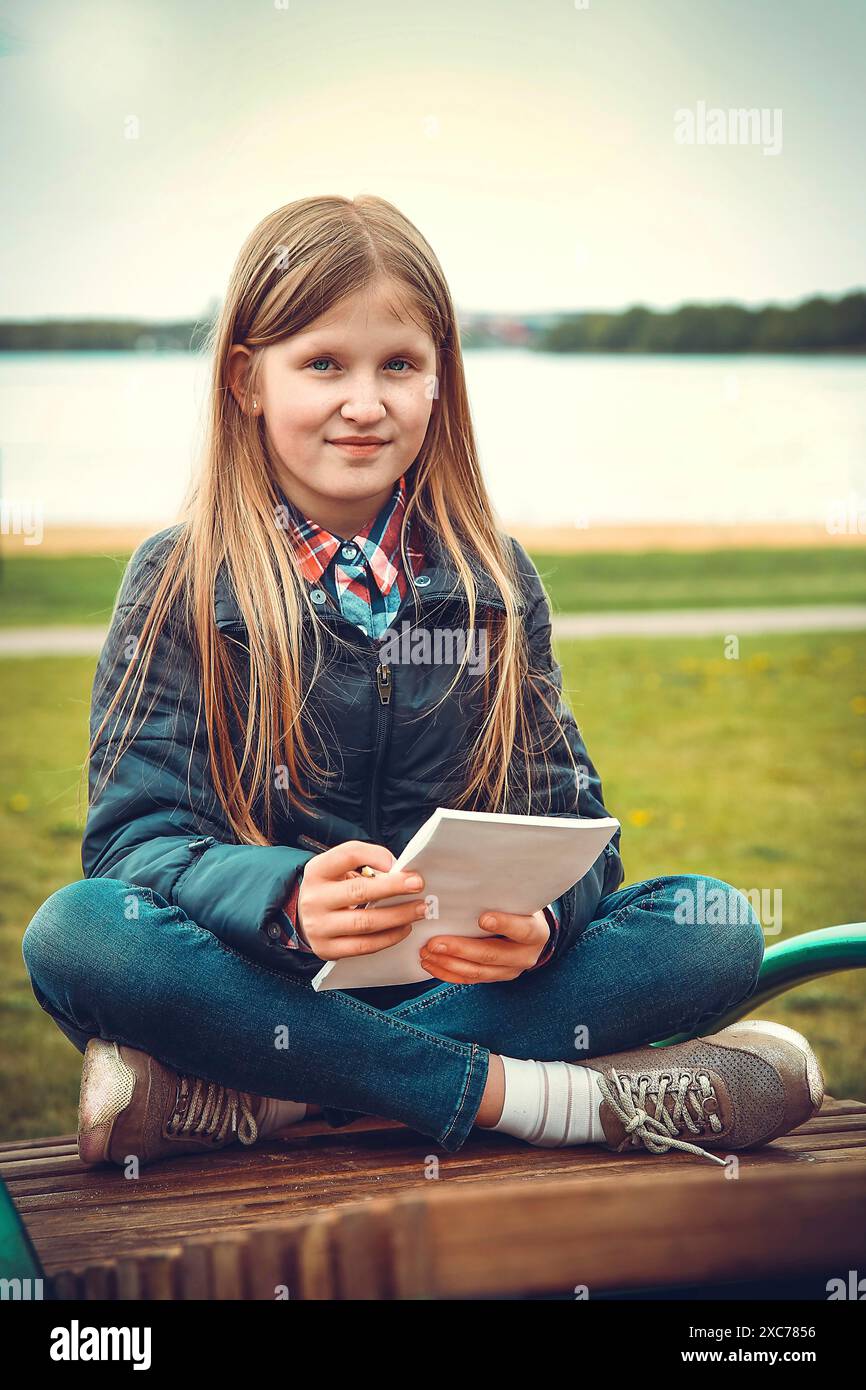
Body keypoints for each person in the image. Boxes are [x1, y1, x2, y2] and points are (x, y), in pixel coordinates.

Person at [21, 195, 824, 1171]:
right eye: (324, 363)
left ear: (438, 381)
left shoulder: (492, 578)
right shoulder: (179, 579)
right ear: (246, 381)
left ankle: (273, 1101)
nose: (365, 401)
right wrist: (282, 898)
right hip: (253, 985)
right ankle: (542, 1100)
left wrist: (541, 921)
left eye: (397, 364)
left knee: (712, 926)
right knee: (80, 932)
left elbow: (573, 825)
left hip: (460, 987)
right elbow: (133, 843)